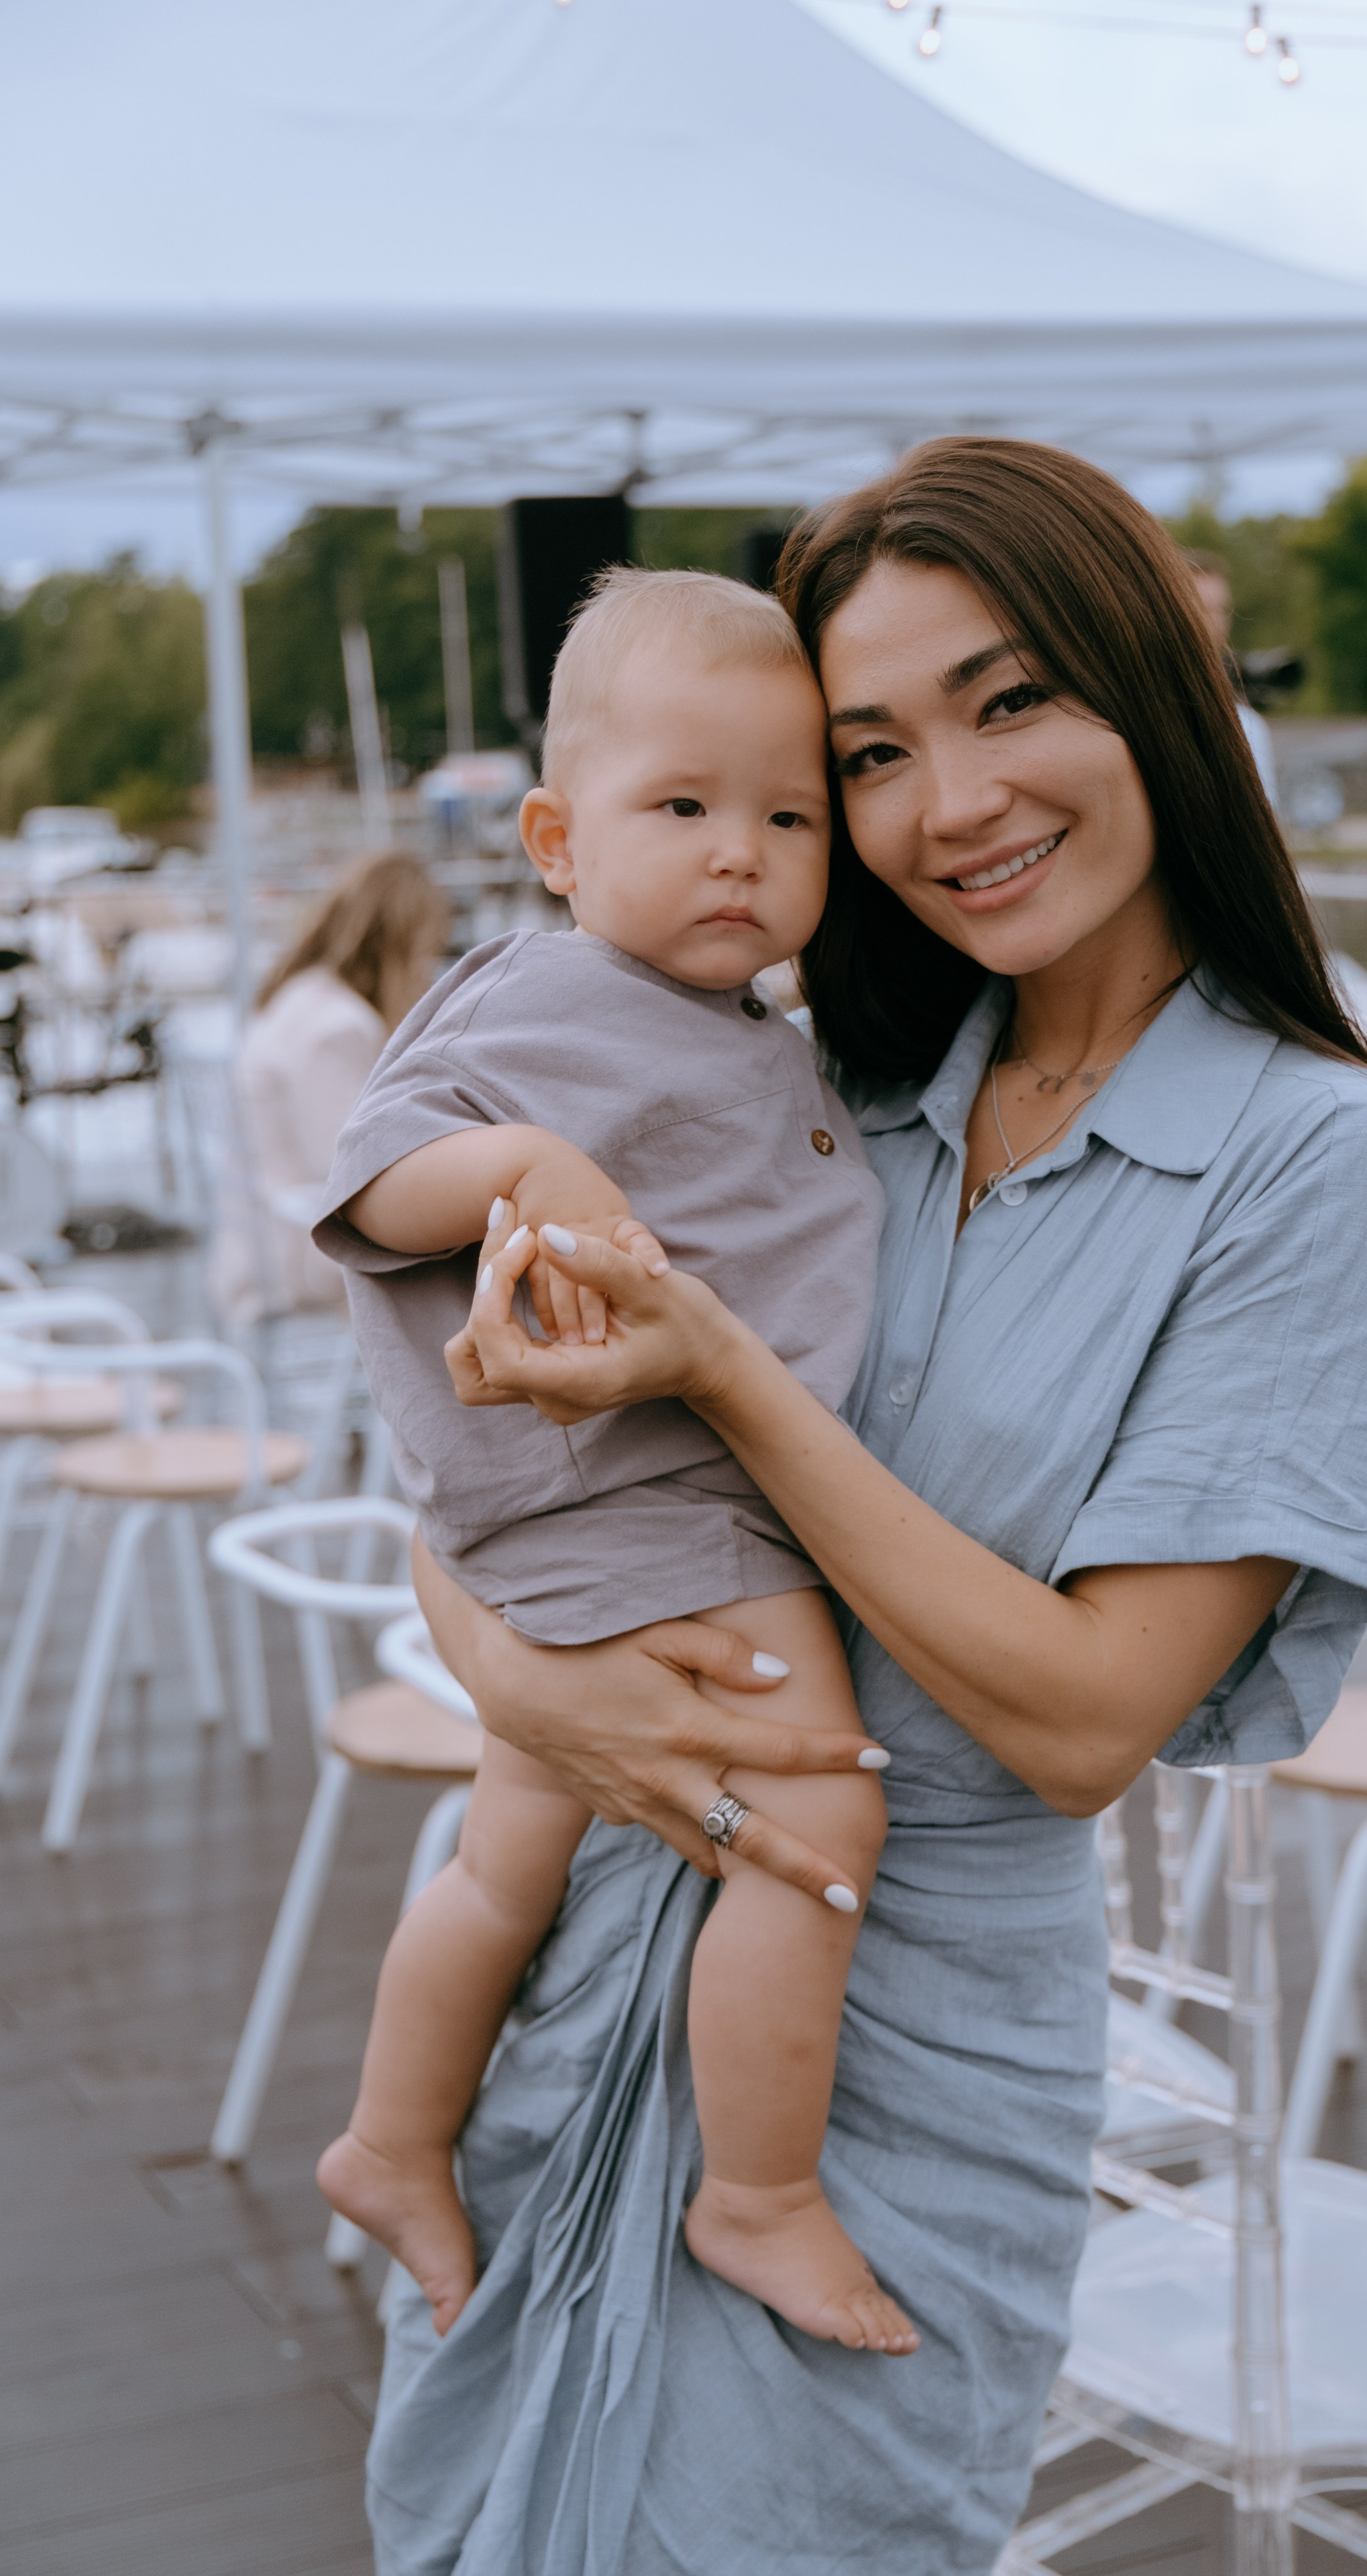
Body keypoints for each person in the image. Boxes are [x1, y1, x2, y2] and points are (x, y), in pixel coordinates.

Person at [363, 439, 1367, 2576]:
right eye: (869, 751)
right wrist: (533, 1686)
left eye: (1012, 697)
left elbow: (1078, 1721)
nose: (949, 801)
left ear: (1154, 693)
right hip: (581, 1949)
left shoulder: (1315, 1163)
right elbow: (462, 1479)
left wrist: (723, 1373)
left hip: (905, 2038)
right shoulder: (812, 1081)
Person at [311, 571, 914, 2355]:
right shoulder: (547, 1000)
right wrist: (517, 1163)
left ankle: (390, 2137)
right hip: (646, 1506)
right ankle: (758, 2194)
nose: (743, 853)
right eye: (685, 809)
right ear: (559, 842)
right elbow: (363, 1184)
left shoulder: (744, 1027)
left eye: (789, 816)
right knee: (817, 1822)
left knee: (508, 1864)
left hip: (597, 1520)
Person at [208, 851, 449, 1328]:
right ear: (402, 941)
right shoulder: (338, 1027)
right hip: (298, 1250)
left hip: (260, 1237)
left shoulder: (301, 995)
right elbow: (350, 1166)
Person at [1184, 545, 1279, 808]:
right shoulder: (1136, 710)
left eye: (1222, 610)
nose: (1216, 624)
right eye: (1202, 609)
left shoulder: (1247, 725)